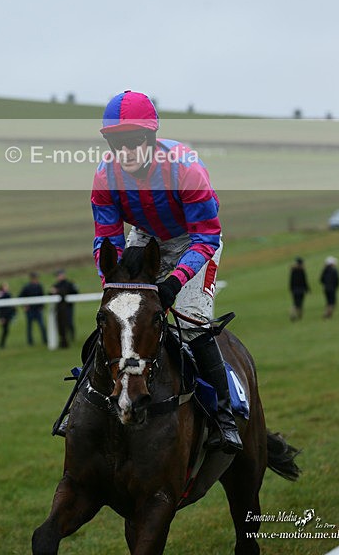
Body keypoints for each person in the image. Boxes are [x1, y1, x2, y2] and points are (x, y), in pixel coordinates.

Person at [91, 90, 242, 453]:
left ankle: (224, 416)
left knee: (190, 323)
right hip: (146, 234)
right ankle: (92, 401)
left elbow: (207, 235)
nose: (125, 151)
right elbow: (105, 242)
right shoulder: (105, 176)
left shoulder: (185, 169)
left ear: (151, 138)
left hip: (195, 239)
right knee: (119, 315)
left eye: (133, 142)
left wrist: (174, 283)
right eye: (116, 142)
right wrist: (113, 287)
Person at [51, 269, 78, 348]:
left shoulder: (69, 284)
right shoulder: (56, 285)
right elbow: (50, 293)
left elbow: (74, 292)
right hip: (60, 308)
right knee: (61, 324)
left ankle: (72, 335)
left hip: (68, 307)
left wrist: (57, 291)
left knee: (69, 322)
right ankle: (64, 339)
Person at [19, 272, 48, 345]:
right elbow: (20, 297)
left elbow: (42, 297)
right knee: (29, 327)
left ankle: (45, 340)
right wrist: (25, 306)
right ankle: (30, 342)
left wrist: (41, 307)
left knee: (42, 326)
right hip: (30, 311)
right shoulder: (26, 287)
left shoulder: (39, 286)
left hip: (38, 310)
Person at [0, 282, 15, 348]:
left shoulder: (8, 294)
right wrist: (1, 317)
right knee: (5, 330)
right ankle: (1, 344)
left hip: (8, 315)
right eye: (5, 286)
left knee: (6, 330)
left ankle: (2, 344)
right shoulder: (0, 294)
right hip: (3, 316)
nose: (7, 288)